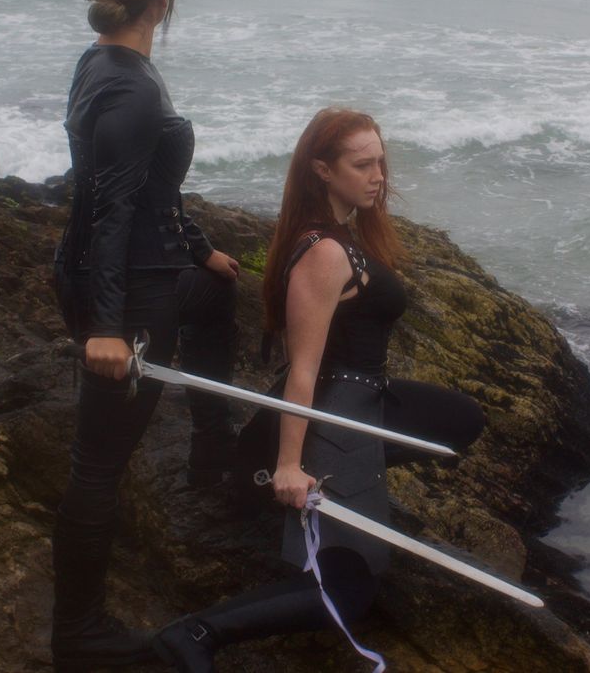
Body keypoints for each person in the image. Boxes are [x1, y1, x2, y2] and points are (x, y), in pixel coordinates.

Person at [152, 107, 485, 672]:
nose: (379, 175)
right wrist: (288, 464)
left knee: (458, 421)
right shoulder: (324, 253)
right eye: (363, 164)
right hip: (326, 418)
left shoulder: (347, 233)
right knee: (349, 592)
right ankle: (196, 633)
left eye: (381, 160)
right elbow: (301, 371)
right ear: (322, 170)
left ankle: (351, 476)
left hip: (365, 400)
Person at [52, 0, 240, 672]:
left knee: (218, 294)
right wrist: (104, 329)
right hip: (130, 294)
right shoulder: (132, 86)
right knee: (97, 462)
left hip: (149, 271)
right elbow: (111, 209)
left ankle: (209, 453)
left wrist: (200, 250)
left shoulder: (102, 65)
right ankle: (79, 632)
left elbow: (146, 190)